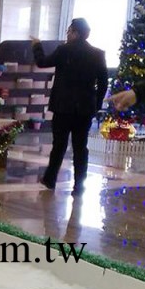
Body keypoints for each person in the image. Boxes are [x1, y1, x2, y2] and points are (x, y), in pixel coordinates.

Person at [32, 18, 108, 196]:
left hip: (62, 107)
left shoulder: (64, 50)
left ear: (75, 33)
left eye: (69, 31)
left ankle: (50, 180)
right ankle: (79, 186)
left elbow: (42, 62)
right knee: (81, 147)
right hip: (85, 109)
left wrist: (37, 45)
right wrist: (95, 104)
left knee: (59, 145)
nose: (67, 34)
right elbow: (103, 83)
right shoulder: (97, 54)